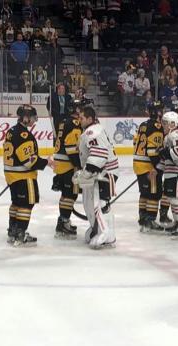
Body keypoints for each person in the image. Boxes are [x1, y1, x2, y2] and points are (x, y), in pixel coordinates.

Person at [3, 105, 50, 246]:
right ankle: (20, 234)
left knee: (16, 203)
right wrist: (46, 162)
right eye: (32, 118)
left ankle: (13, 230)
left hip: (11, 175)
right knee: (26, 204)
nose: (34, 121)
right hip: (23, 176)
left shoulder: (11, 131)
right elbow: (29, 161)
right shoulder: (24, 135)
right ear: (25, 118)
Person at [74, 105, 119, 249]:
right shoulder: (93, 130)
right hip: (101, 173)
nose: (79, 120)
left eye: (82, 118)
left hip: (103, 174)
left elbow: (99, 156)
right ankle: (97, 229)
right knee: (92, 203)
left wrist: (86, 173)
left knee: (99, 204)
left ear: (90, 119)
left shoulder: (92, 131)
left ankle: (106, 234)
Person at [52, 100, 83, 239]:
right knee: (70, 195)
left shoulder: (64, 121)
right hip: (68, 164)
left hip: (60, 162)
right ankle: (63, 224)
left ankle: (63, 221)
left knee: (66, 194)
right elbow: (72, 148)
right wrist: (79, 165)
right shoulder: (75, 124)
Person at [133, 101, 165, 232]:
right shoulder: (157, 126)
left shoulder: (143, 124)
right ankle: (150, 221)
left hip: (138, 163)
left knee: (144, 193)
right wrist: (156, 167)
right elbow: (152, 151)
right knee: (154, 194)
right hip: (149, 166)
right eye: (161, 110)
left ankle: (142, 217)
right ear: (158, 112)